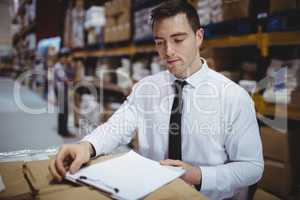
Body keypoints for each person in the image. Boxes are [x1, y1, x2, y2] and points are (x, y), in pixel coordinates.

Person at [49, 0, 264, 199]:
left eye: (178, 40)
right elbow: (116, 128)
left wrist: (199, 175)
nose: (168, 52)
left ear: (199, 37)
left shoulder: (234, 97)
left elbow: (252, 167)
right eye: (160, 42)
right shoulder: (146, 88)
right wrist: (87, 146)